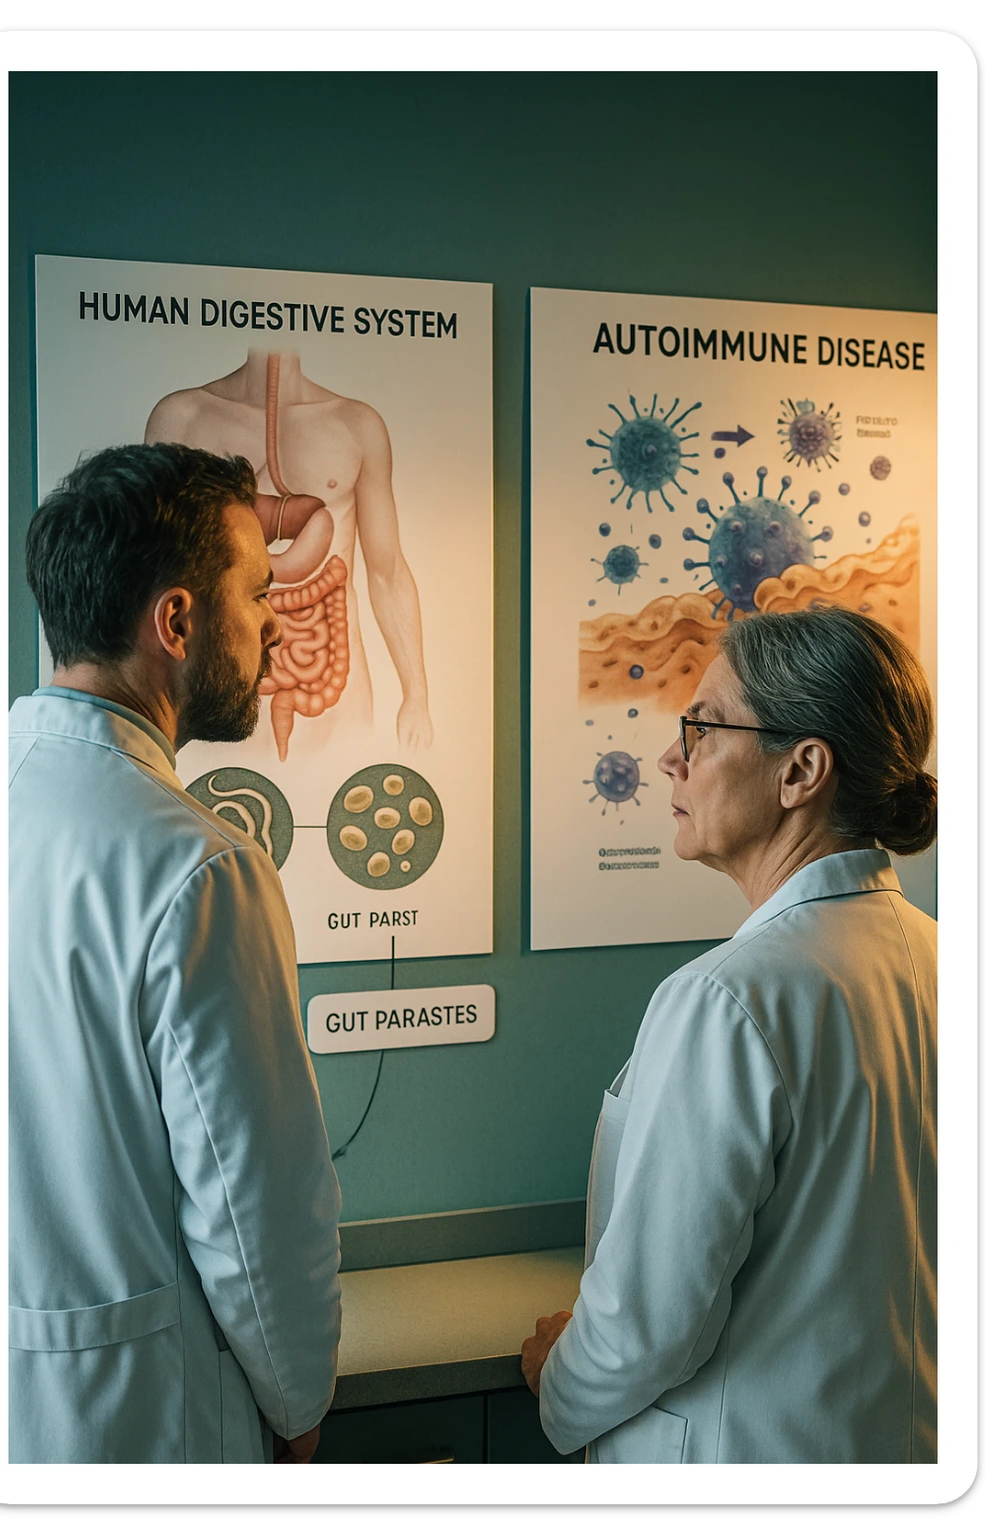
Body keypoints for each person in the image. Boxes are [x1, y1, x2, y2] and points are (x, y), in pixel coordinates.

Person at [522, 606, 937, 1464]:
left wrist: (557, 1382)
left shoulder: (729, 999)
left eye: (702, 729)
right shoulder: (941, 959)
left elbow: (648, 1324)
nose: (670, 758)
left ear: (802, 771)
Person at [9, 443, 342, 1464]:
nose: (275, 620)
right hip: (143, 1422)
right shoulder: (196, 869)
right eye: (255, 592)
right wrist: (299, 1410)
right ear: (178, 621)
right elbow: (253, 1214)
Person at [144, 348, 433, 757]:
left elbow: (387, 571)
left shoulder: (357, 425)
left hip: (333, 681)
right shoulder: (181, 418)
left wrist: (416, 695)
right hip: (213, 686)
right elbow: (154, 571)